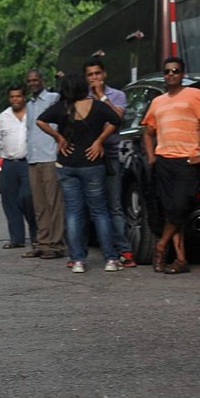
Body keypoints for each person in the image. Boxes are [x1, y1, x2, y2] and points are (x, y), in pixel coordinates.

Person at [36, 75, 123, 273]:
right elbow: (116, 120)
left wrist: (58, 137)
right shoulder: (97, 106)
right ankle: (110, 258)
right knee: (100, 212)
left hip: (67, 164)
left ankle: (77, 260)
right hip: (92, 163)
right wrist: (99, 140)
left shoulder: (61, 108)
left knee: (74, 213)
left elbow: (40, 121)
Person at [141, 59, 200, 274]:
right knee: (170, 210)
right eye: (167, 72)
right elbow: (147, 131)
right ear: (163, 75)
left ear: (183, 74)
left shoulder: (195, 95)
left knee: (179, 206)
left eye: (176, 71)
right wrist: (151, 157)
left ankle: (161, 246)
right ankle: (180, 259)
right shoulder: (158, 102)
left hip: (187, 160)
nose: (171, 74)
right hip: (164, 160)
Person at [84, 57, 135, 267]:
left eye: (97, 74)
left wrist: (102, 97)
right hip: (88, 158)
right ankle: (91, 251)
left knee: (114, 205)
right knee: (92, 207)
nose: (94, 78)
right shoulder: (82, 98)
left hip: (111, 156)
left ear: (104, 74)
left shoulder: (117, 95)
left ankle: (123, 249)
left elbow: (117, 118)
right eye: (90, 75)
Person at [24, 68, 65, 261]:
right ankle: (42, 243)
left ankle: (57, 245)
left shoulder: (53, 98)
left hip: (49, 157)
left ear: (42, 80)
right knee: (39, 205)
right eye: (29, 81)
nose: (33, 83)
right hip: (33, 159)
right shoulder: (30, 104)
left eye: (35, 80)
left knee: (54, 203)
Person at [0, 84, 37, 249]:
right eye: (12, 97)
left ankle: (36, 236)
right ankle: (16, 239)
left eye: (18, 96)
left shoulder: (32, 113)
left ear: (23, 97)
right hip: (9, 163)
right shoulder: (2, 117)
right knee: (10, 202)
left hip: (28, 163)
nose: (15, 100)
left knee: (28, 198)